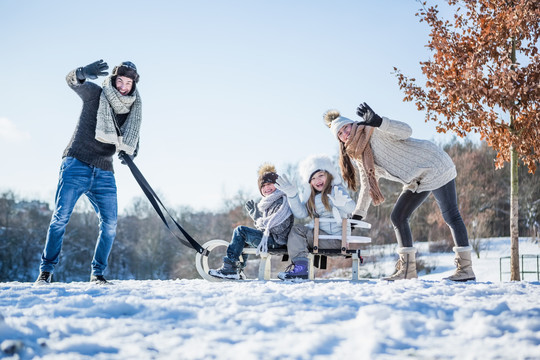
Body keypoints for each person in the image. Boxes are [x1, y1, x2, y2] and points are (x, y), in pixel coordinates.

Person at [324, 102, 476, 281]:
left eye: (345, 128)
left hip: (434, 163)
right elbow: (367, 184)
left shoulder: (374, 130)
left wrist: (380, 121)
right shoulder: (358, 153)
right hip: (416, 179)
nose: (345, 133)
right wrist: (357, 216)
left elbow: (407, 131)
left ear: (352, 124)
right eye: (340, 134)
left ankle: (466, 269)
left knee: (451, 215)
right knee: (398, 216)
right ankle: (407, 270)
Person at [35, 60, 142, 285]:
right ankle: (46, 272)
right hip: (77, 163)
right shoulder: (96, 95)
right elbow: (72, 81)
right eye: (120, 81)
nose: (123, 86)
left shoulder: (133, 110)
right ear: (113, 80)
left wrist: (130, 154)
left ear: (134, 85)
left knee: (110, 224)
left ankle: (97, 274)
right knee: (60, 218)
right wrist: (83, 72)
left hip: (104, 171)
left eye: (128, 82)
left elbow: (133, 142)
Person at [275, 154, 355, 280]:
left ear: (328, 175)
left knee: (298, 231)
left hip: (337, 240)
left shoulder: (336, 190)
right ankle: (300, 267)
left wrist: (343, 203)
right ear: (309, 182)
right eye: (313, 178)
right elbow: (301, 214)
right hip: (322, 237)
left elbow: (352, 208)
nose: (318, 180)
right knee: (297, 230)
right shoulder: (312, 198)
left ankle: (301, 268)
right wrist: (292, 196)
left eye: (321, 175)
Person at [209, 164, 294, 280]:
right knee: (243, 238)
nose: (266, 188)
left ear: (277, 184)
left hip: (277, 241)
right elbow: (267, 226)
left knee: (240, 231)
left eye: (269, 184)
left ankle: (230, 267)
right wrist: (258, 218)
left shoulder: (282, 201)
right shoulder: (268, 203)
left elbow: (278, 228)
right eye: (263, 186)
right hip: (270, 239)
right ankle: (237, 269)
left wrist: (257, 218)